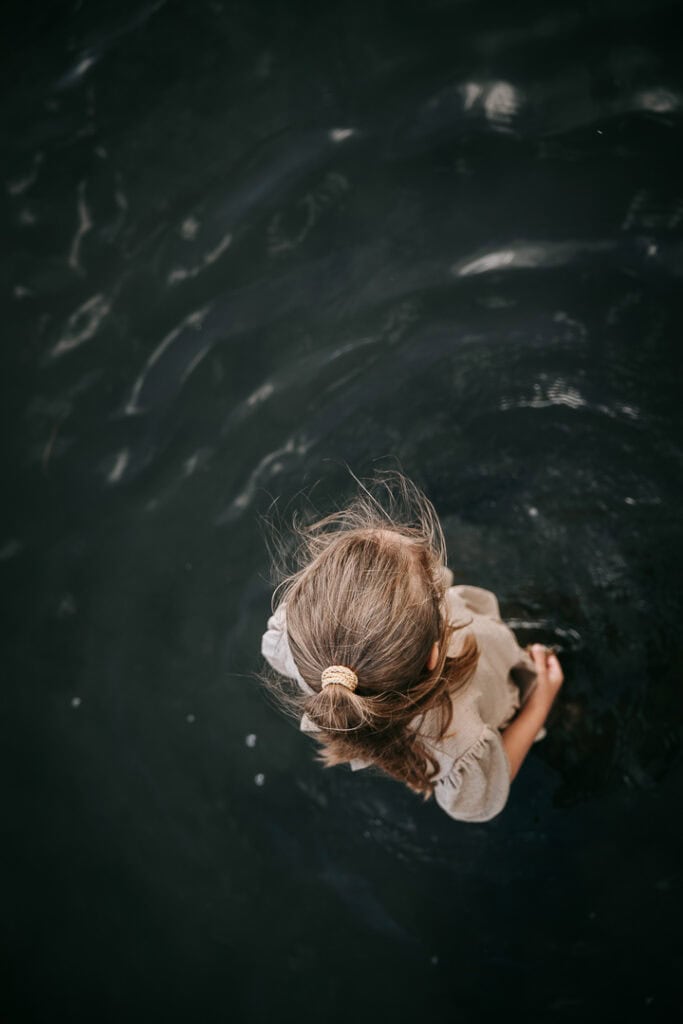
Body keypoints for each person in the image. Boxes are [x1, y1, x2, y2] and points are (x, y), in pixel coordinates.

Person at [260, 471, 564, 822]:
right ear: (435, 654)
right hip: (502, 692)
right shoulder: (460, 735)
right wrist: (539, 704)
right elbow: (480, 801)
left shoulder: (295, 638)